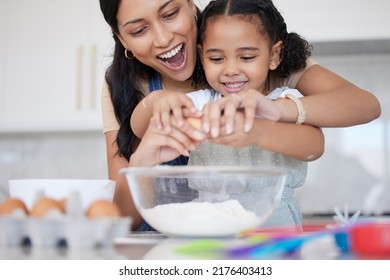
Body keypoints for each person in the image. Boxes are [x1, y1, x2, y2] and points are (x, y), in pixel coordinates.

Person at [98, 0, 381, 230]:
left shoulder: (252, 43)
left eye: (170, 13)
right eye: (138, 30)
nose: (162, 38)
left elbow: (356, 111)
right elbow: (136, 134)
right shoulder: (142, 88)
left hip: (268, 229)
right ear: (122, 40)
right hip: (188, 239)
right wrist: (154, 104)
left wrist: (270, 116)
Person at [131, 0, 325, 230]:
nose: (231, 70)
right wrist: (157, 102)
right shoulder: (201, 103)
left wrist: (256, 132)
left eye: (246, 57)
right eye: (216, 59)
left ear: (274, 55)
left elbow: (314, 145)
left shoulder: (281, 101)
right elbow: (138, 127)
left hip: (273, 227)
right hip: (208, 225)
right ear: (202, 55)